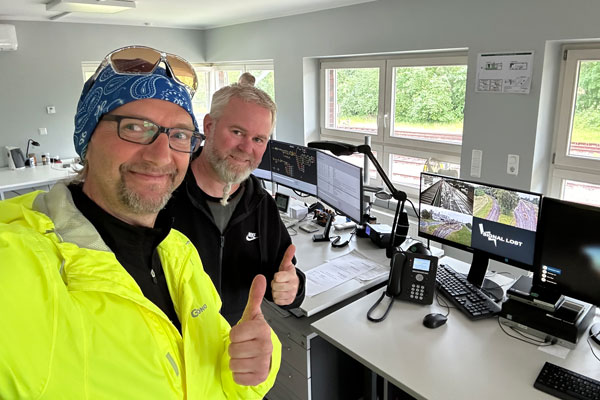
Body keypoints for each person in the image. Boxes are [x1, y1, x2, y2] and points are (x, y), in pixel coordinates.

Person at [0, 46, 280, 399]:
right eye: (135, 127)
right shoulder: (19, 265)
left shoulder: (177, 253)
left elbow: (220, 373)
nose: (161, 155)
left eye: (178, 135)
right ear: (87, 140)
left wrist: (259, 363)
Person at [169, 73, 306, 324]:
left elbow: (283, 271)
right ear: (209, 126)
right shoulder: (165, 194)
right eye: (237, 132)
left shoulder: (261, 204)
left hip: (234, 346)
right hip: (170, 349)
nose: (246, 148)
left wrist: (293, 287)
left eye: (258, 139)